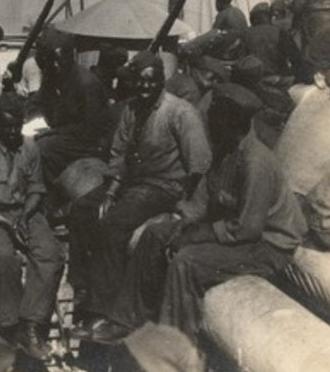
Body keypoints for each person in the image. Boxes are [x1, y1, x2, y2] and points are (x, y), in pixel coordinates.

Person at [90, 84, 306, 341]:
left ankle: (175, 343)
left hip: (268, 245)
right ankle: (127, 319)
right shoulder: (224, 150)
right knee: (155, 235)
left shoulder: (256, 162)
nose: (209, 127)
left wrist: (196, 236)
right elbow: (202, 201)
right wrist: (183, 224)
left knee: (187, 261)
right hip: (238, 231)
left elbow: (248, 228)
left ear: (235, 124)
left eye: (215, 121)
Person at [70, 51, 211, 336]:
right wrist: (110, 192)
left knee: (113, 225)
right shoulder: (131, 110)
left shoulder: (180, 113)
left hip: (164, 187)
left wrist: (183, 206)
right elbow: (119, 154)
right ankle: (83, 289)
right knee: (82, 210)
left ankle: (105, 311)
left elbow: (199, 164)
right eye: (140, 82)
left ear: (162, 80)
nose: (145, 87)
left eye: (152, 81)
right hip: (133, 183)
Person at [0, 94, 63, 360]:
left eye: (16, 126)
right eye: (6, 126)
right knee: (2, 257)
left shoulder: (30, 147)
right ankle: (10, 327)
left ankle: (30, 325)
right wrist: (5, 222)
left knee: (50, 255)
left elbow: (36, 189)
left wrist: (24, 216)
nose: (11, 132)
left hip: (24, 212)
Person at [34, 30, 112, 184]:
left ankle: (51, 190)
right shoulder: (52, 76)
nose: (56, 65)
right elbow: (39, 102)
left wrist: (52, 132)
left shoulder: (86, 83)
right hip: (61, 133)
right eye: (51, 61)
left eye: (60, 60)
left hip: (87, 142)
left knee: (42, 148)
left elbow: (92, 128)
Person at [242, 1, 302, 77]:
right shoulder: (280, 32)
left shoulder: (245, 34)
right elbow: (296, 58)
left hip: (253, 79)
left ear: (253, 19)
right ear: (269, 17)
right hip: (279, 79)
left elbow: (241, 61)